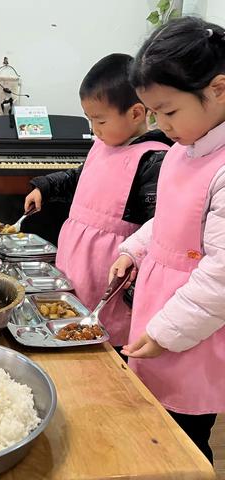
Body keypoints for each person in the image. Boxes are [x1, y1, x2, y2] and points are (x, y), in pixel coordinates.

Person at [109, 17, 225, 464]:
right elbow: (169, 219)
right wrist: (133, 249)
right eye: (154, 112)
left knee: (184, 442)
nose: (161, 124)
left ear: (217, 89)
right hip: (163, 317)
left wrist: (166, 332)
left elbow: (219, 279)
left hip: (194, 332)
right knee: (151, 424)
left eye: (169, 111)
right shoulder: (182, 150)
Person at [24, 53, 172, 349]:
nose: (95, 129)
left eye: (101, 120)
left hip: (108, 272)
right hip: (76, 262)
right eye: (90, 119)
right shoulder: (103, 145)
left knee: (105, 337)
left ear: (136, 113)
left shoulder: (153, 159)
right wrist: (45, 187)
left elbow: (158, 227)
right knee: (72, 320)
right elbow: (77, 177)